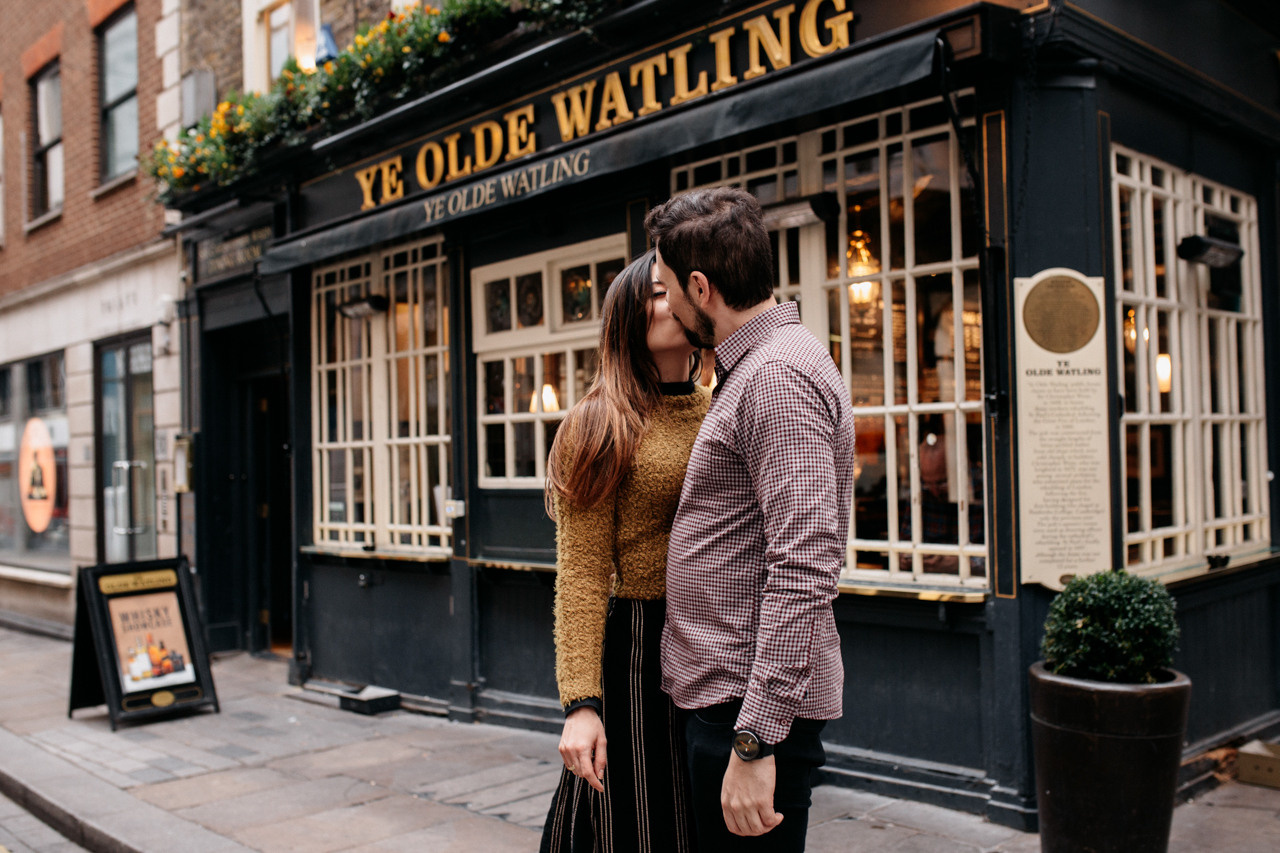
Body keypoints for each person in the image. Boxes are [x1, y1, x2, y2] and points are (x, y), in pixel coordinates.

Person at [647, 187, 855, 851]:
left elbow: (805, 563)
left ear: (701, 286)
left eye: (667, 288)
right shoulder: (756, 368)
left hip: (744, 708)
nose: (669, 305)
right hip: (728, 699)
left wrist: (755, 737)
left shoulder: (775, 377)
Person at [540, 249, 709, 853]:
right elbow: (581, 575)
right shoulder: (599, 421)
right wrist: (580, 704)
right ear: (627, 321)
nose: (677, 301)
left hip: (715, 639)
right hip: (640, 647)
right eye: (659, 294)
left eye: (680, 289)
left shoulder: (721, 403)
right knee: (638, 823)